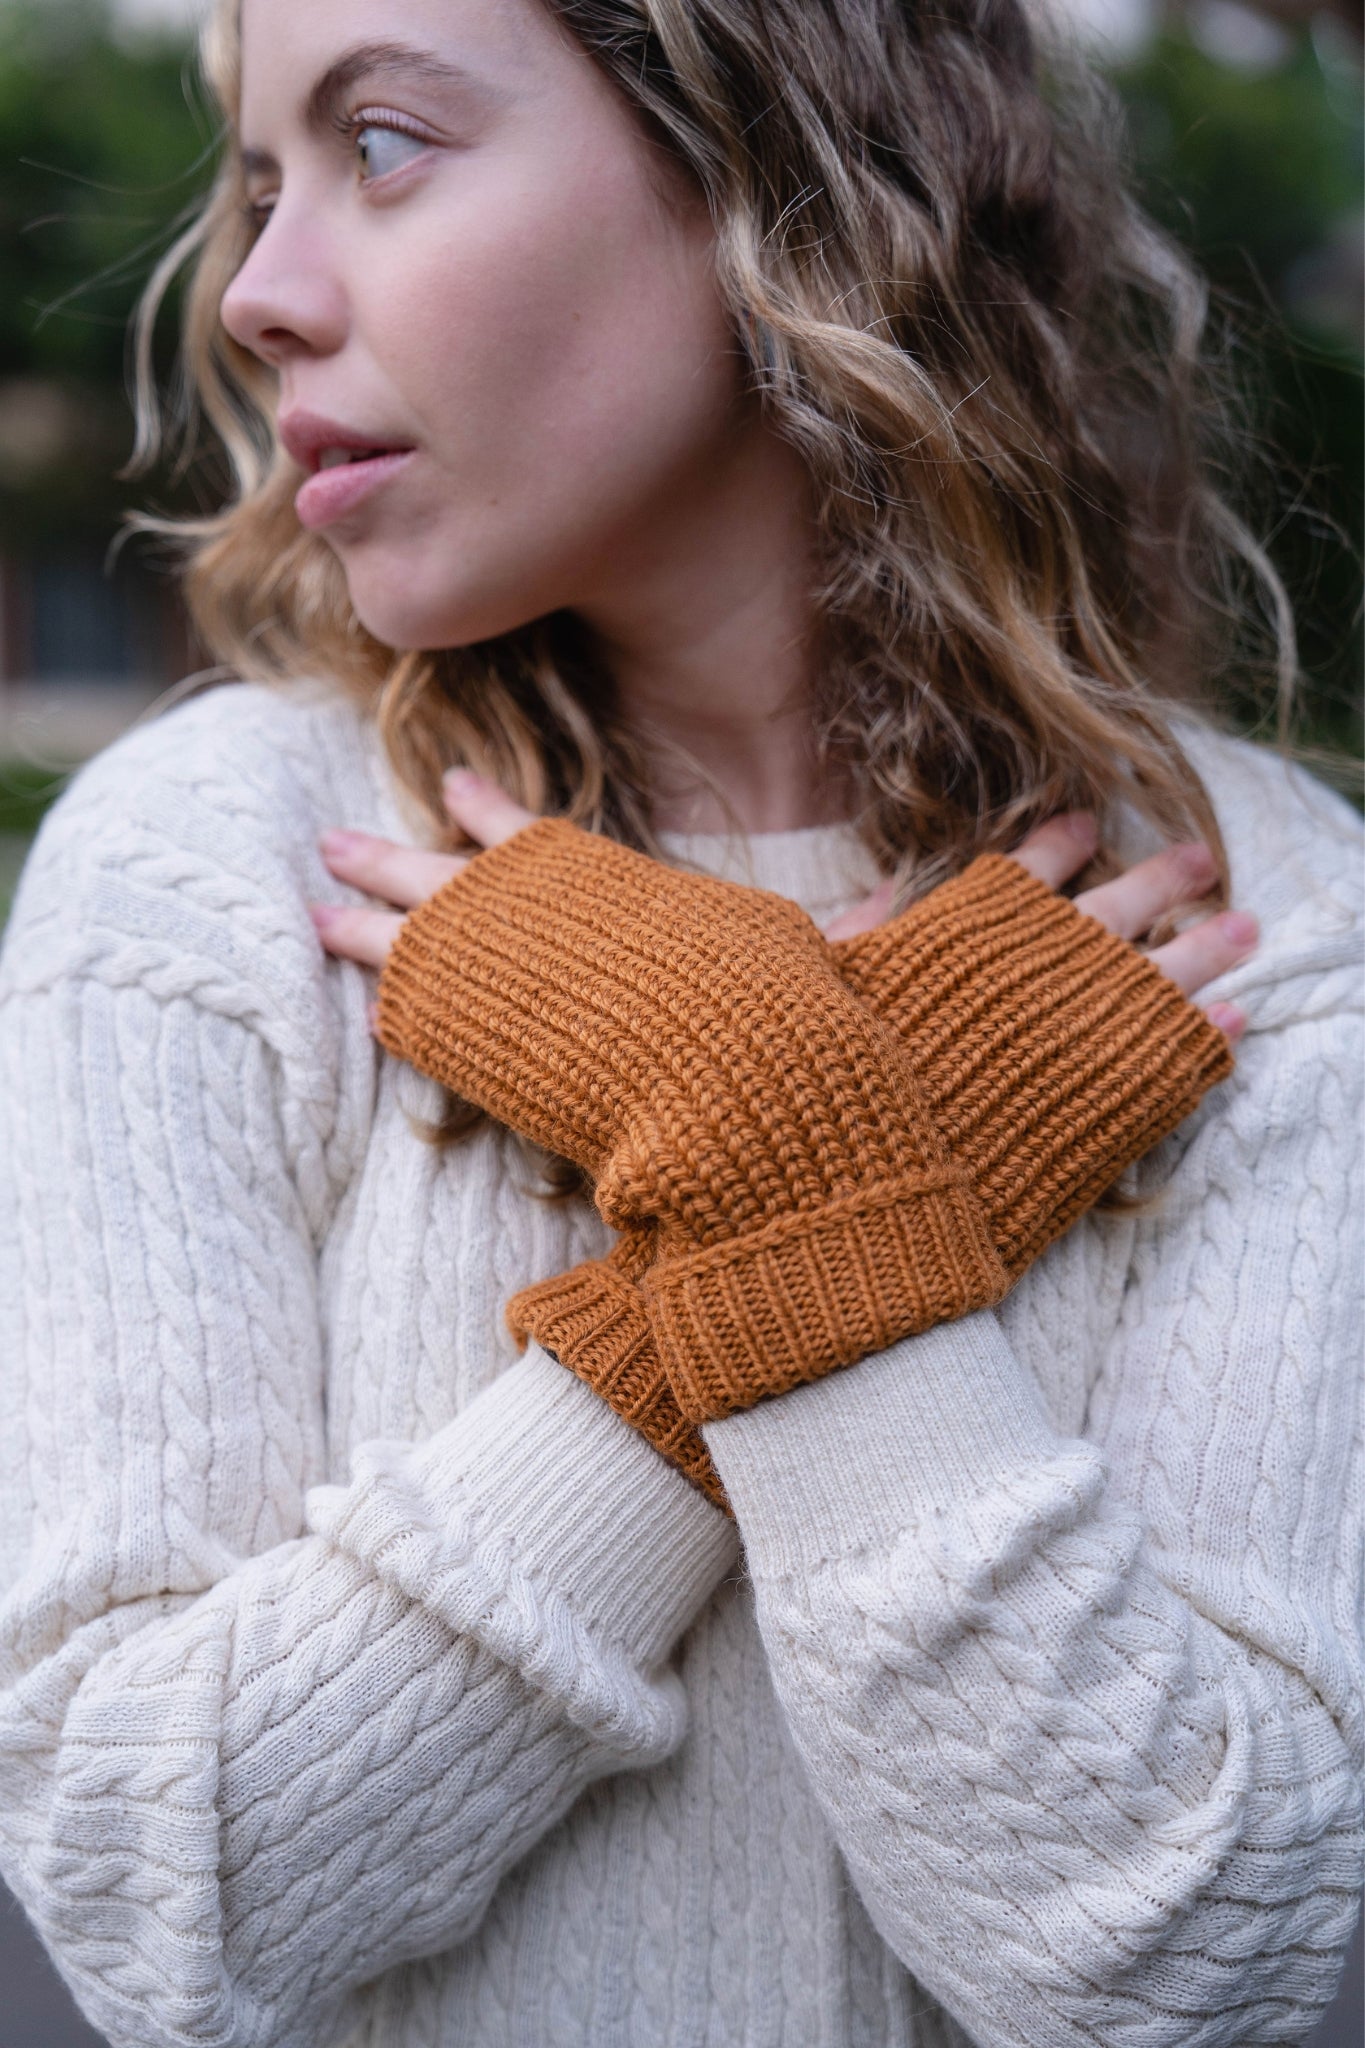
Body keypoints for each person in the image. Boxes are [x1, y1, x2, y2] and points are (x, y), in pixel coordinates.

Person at [0, 0, 1359, 2041]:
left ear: (779, 173)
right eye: (257, 184)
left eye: (378, 143)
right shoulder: (210, 868)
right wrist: (790, 1148)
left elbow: (1187, 1965)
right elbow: (156, 1891)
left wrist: (769, 1150)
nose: (261, 295)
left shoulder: (1261, 920)